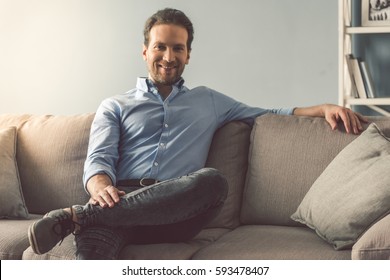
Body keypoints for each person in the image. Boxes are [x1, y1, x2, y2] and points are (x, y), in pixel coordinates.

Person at [28, 8, 367, 260]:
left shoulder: (209, 101)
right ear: (145, 51)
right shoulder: (114, 105)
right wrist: (101, 190)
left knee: (212, 181)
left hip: (177, 211)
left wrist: (321, 108)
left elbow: (269, 113)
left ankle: (77, 217)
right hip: (118, 203)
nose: (168, 57)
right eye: (160, 47)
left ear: (188, 54)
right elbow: (98, 160)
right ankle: (89, 216)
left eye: (178, 48)